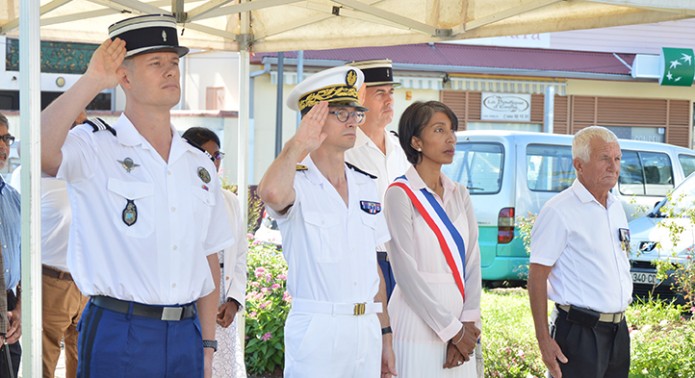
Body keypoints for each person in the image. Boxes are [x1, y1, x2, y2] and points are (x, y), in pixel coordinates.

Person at [40, 14, 234, 378]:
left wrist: (208, 347)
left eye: (174, 62)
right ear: (124, 77)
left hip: (186, 332)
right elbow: (39, 149)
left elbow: (208, 257)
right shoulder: (96, 146)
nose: (170, 71)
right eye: (156, 63)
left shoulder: (198, 165)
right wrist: (93, 79)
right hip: (120, 327)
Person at [258, 65, 396, 378]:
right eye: (341, 113)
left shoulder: (364, 184)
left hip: (367, 327)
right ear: (313, 121)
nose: (353, 121)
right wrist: (297, 145)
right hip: (319, 328)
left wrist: (386, 335)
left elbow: (373, 268)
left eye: (355, 113)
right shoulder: (297, 181)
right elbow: (271, 193)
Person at [383, 101, 481, 377]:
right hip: (418, 323)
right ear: (416, 141)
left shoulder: (459, 193)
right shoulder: (399, 194)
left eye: (452, 130)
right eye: (439, 130)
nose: (450, 138)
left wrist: (468, 325)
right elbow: (405, 273)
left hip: (461, 321)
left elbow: (473, 262)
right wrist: (452, 331)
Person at [528, 126, 631, 378]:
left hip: (617, 332)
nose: (613, 166)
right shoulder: (559, 211)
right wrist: (543, 340)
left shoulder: (616, 207)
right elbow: (537, 277)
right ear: (579, 164)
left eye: (617, 159)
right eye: (604, 158)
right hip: (578, 333)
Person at [10, 111, 89, 378]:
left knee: (83, 362)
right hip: (50, 282)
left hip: (87, 283)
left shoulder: (83, 173)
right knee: (44, 365)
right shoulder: (26, 176)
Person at [182, 127, 248, 378]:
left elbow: (240, 255)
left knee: (222, 369)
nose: (212, 162)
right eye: (206, 156)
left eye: (217, 155)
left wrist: (234, 300)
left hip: (222, 306)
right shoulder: (178, 197)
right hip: (190, 302)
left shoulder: (230, 201)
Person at [345, 59, 409, 301]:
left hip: (403, 262)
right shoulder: (345, 152)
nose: (390, 100)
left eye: (391, 92)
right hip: (365, 262)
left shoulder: (401, 149)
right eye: (380, 93)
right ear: (359, 98)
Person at [0, 113, 21, 377]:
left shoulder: (14, 199)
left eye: (6, 138)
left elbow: (24, 258)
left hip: (9, 309)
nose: (3, 146)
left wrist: (20, 309)